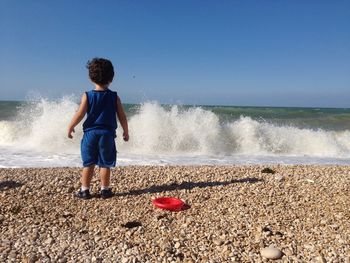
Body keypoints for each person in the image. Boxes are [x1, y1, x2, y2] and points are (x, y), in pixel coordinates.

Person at [67, 58, 129, 199]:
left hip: (90, 134)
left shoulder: (88, 96)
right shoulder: (114, 97)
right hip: (107, 135)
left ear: (90, 77)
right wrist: (126, 131)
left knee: (88, 163)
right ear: (111, 78)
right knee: (104, 163)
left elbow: (80, 113)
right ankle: (105, 190)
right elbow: (122, 116)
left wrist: (71, 126)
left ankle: (84, 190)